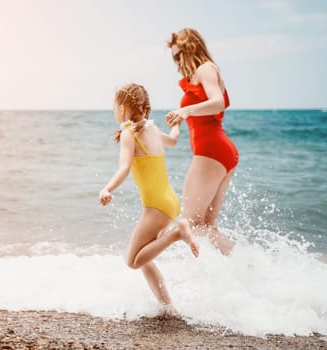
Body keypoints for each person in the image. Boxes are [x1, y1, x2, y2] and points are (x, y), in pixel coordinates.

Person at [99, 83, 199, 311]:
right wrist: (177, 126)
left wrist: (107, 189)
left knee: (133, 261)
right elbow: (173, 141)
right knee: (145, 258)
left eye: (115, 107)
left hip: (156, 207)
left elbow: (124, 168)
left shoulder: (129, 134)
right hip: (169, 202)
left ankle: (177, 233)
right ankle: (168, 308)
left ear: (123, 109)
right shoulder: (152, 129)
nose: (114, 112)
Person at [165, 28, 239, 255]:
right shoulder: (204, 72)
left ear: (191, 48)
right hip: (220, 153)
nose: (177, 63)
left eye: (178, 56)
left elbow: (217, 102)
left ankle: (246, 265)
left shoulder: (205, 68)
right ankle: (244, 269)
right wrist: (180, 118)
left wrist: (186, 110)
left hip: (211, 152)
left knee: (192, 224)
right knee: (205, 227)